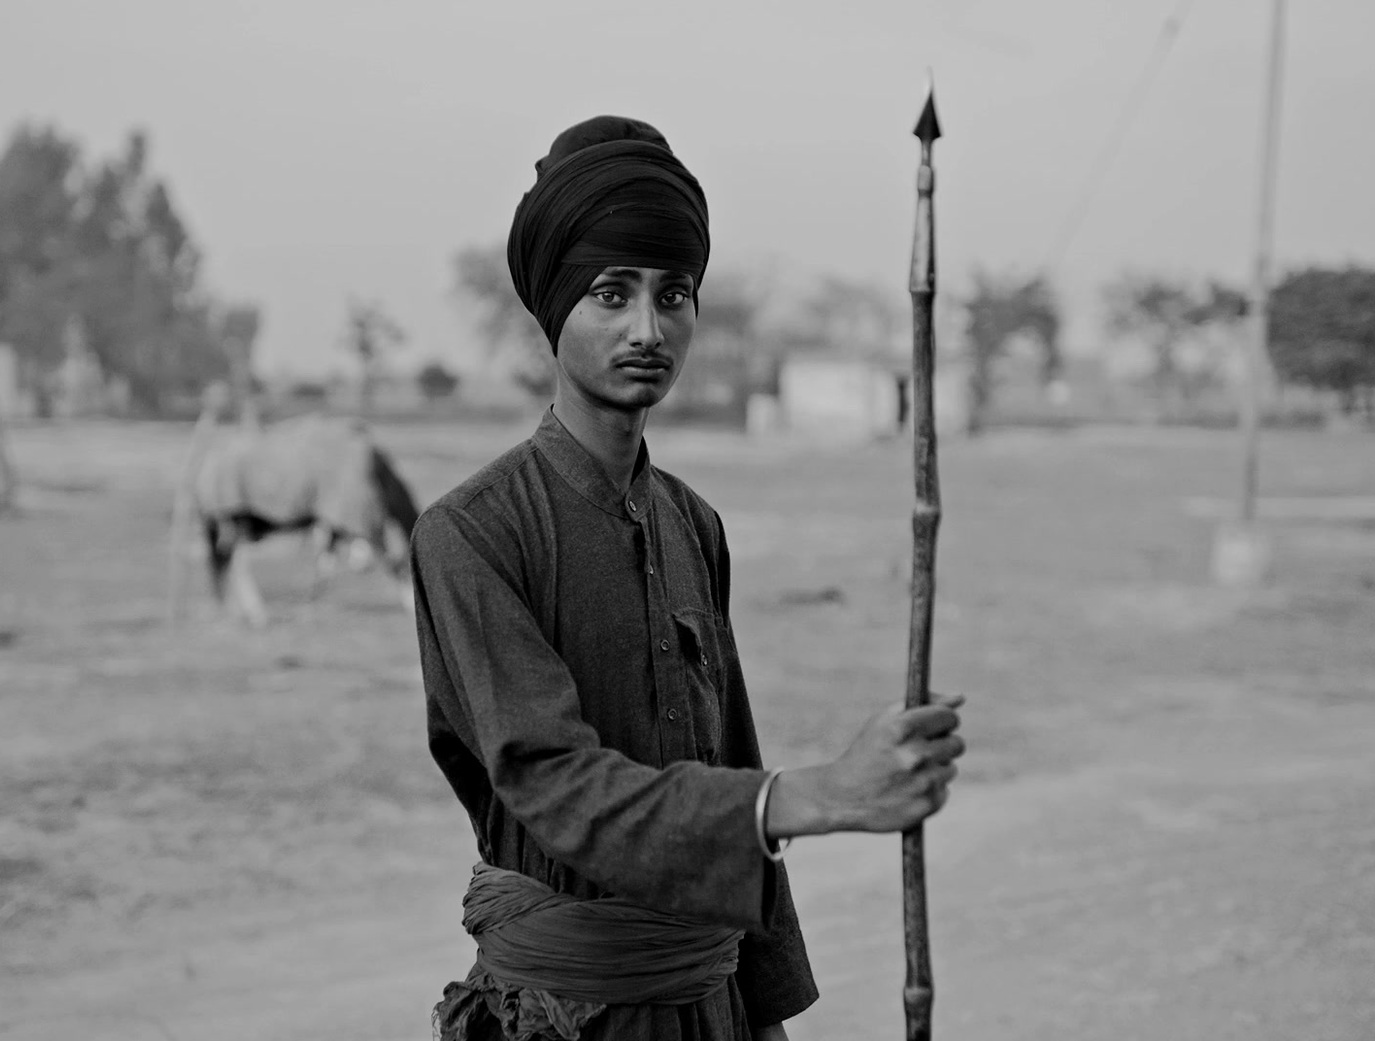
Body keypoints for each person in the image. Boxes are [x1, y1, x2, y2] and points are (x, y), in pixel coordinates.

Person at [410, 115, 966, 1041]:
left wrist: (769, 1013)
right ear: (555, 310)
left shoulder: (692, 522)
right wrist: (820, 794)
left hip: (713, 1010)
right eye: (609, 293)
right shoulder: (472, 533)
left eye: (674, 295)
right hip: (561, 1018)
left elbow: (729, 754)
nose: (647, 327)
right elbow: (557, 785)